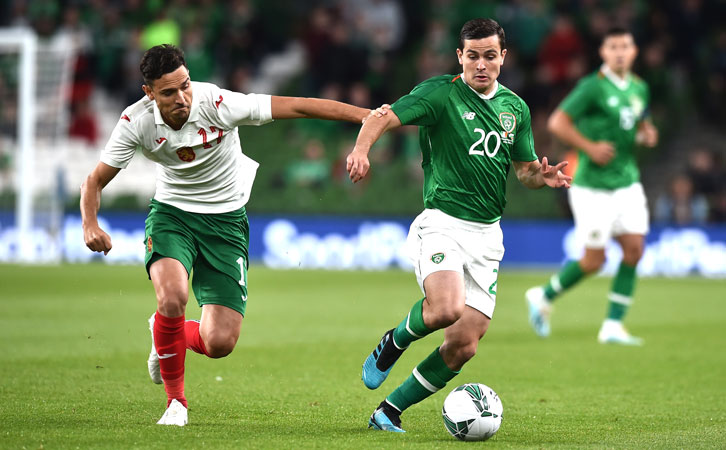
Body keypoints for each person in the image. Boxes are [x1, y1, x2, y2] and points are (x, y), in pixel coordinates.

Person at [80, 44, 377, 427]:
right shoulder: (135, 122)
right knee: (173, 297)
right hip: (173, 216)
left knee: (219, 343)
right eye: (169, 92)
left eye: (184, 85)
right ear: (148, 93)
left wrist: (368, 117)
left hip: (226, 223)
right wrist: (90, 223)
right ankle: (176, 404)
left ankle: (163, 332)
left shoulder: (217, 103)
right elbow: (94, 180)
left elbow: (299, 105)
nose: (182, 97)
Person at [346, 18, 572, 433]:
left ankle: (388, 412)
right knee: (446, 308)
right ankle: (393, 342)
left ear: (504, 57)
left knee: (464, 344)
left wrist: (541, 177)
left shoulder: (515, 109)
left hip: (488, 236)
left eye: (490, 56)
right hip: (442, 224)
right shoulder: (439, 94)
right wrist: (362, 151)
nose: (481, 64)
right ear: (460, 56)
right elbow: (382, 117)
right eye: (473, 56)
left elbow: (522, 171)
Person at [525, 27, 659, 345]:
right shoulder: (591, 87)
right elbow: (558, 121)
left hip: (627, 182)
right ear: (603, 53)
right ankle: (542, 295)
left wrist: (647, 134)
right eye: (613, 47)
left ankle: (612, 325)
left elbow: (639, 124)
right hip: (592, 187)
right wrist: (589, 147)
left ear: (634, 51)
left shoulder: (639, 87)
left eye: (625, 46)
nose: (620, 52)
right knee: (593, 260)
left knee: (634, 249)